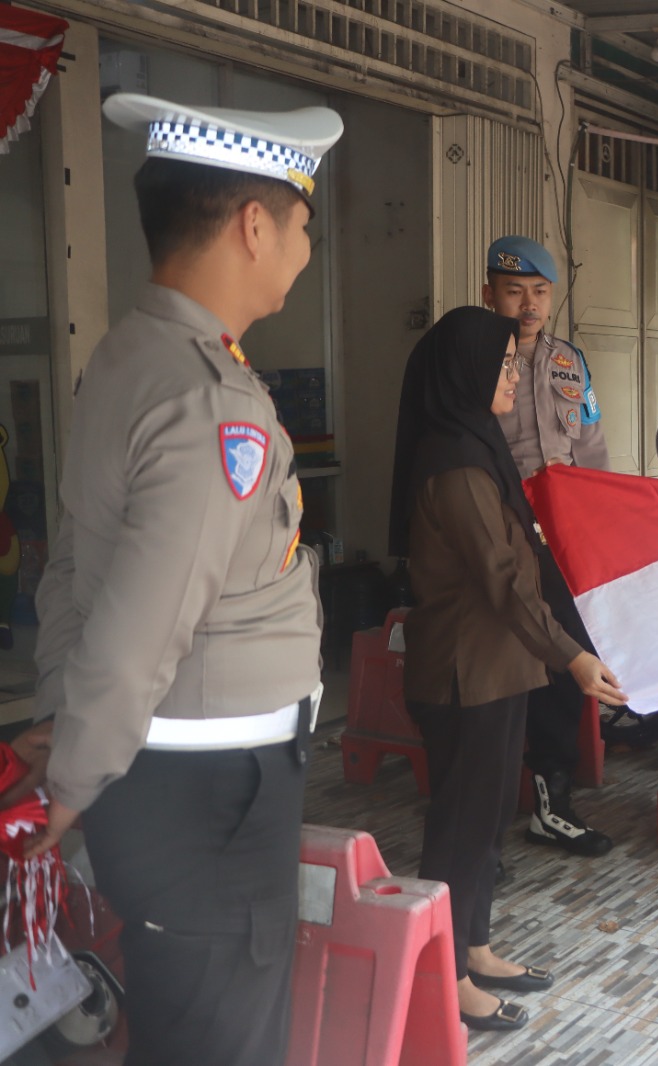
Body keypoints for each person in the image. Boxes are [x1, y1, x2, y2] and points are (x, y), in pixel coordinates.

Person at [19, 93, 340, 1065]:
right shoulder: (212, 403)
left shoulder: (126, 359)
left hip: (163, 787)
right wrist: (68, 783)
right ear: (254, 225)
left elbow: (73, 569)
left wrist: (61, 720)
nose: (305, 248)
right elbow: (140, 625)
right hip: (211, 799)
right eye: (302, 224)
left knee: (176, 1021)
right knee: (221, 1033)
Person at [388, 306, 627, 1031]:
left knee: (489, 816)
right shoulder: (455, 468)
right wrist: (574, 657)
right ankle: (448, 972)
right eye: (502, 365)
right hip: (467, 674)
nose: (514, 375)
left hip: (499, 667)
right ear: (466, 373)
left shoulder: (477, 443)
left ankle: (477, 945)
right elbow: (504, 581)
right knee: (462, 824)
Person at [482, 235, 615, 856]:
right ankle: (482, 804)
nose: (529, 305)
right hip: (498, 538)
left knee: (566, 659)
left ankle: (551, 804)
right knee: (504, 664)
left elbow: (590, 449)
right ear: (491, 294)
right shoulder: (474, 358)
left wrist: (597, 527)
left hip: (560, 541)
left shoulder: (569, 362)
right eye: (515, 292)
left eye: (539, 292)